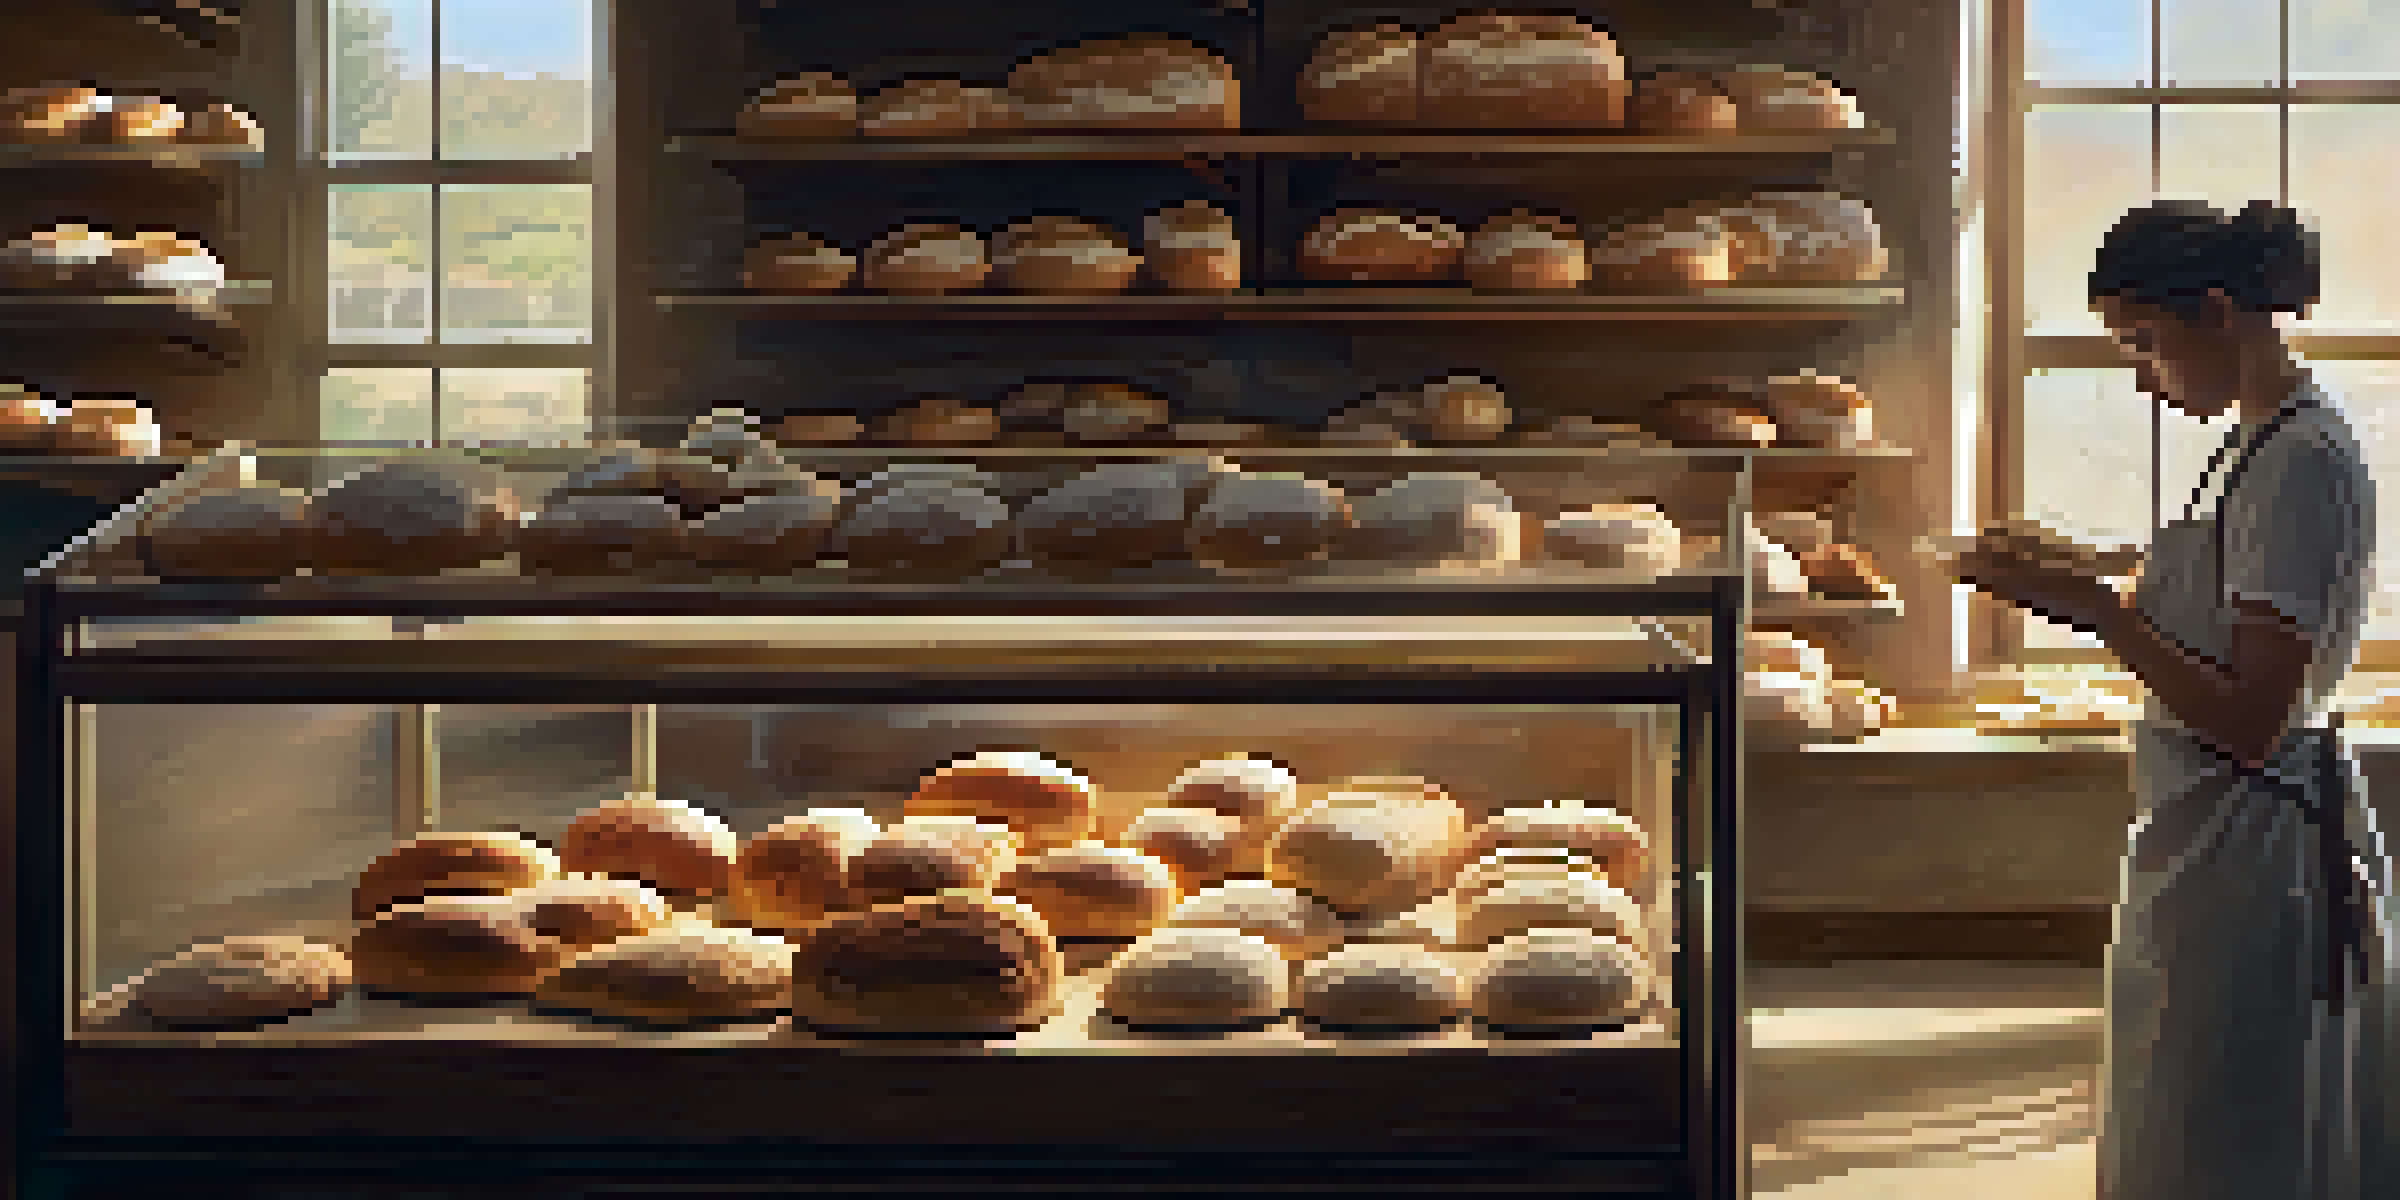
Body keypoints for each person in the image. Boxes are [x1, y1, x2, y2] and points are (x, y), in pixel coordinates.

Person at [1956, 198, 2394, 1198]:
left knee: (2226, 1139)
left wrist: (2102, 617)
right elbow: (2229, 597)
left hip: (2259, 853)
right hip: (2210, 842)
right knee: (2185, 1120)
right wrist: (2089, 567)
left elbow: (2254, 720)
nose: (2141, 377)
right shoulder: (2257, 441)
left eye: (2145, 344)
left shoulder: (2303, 462)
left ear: (2218, 312)